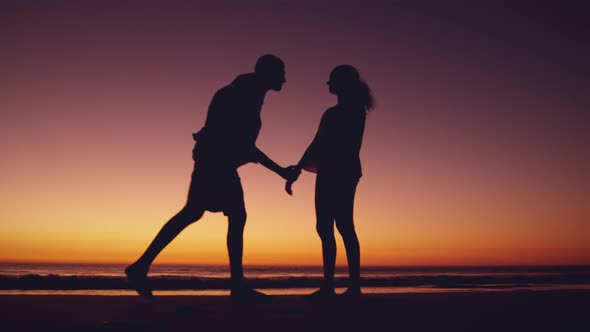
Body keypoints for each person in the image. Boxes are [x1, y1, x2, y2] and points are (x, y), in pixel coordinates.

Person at [126, 54, 297, 301]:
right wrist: (281, 171)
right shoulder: (245, 95)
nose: (284, 78)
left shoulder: (248, 92)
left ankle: (140, 267)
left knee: (196, 213)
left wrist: (280, 170)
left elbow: (242, 144)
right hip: (216, 162)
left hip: (215, 161)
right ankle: (236, 287)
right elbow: (244, 145)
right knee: (229, 215)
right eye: (280, 72)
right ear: (266, 73)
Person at [287, 65, 374, 300]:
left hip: (341, 172)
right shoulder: (336, 112)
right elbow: (316, 143)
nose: (328, 84)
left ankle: (351, 287)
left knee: (342, 226)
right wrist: (298, 167)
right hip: (331, 172)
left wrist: (302, 166)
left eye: (332, 80)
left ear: (342, 83)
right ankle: (331, 286)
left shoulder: (352, 111)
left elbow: (336, 144)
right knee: (326, 227)